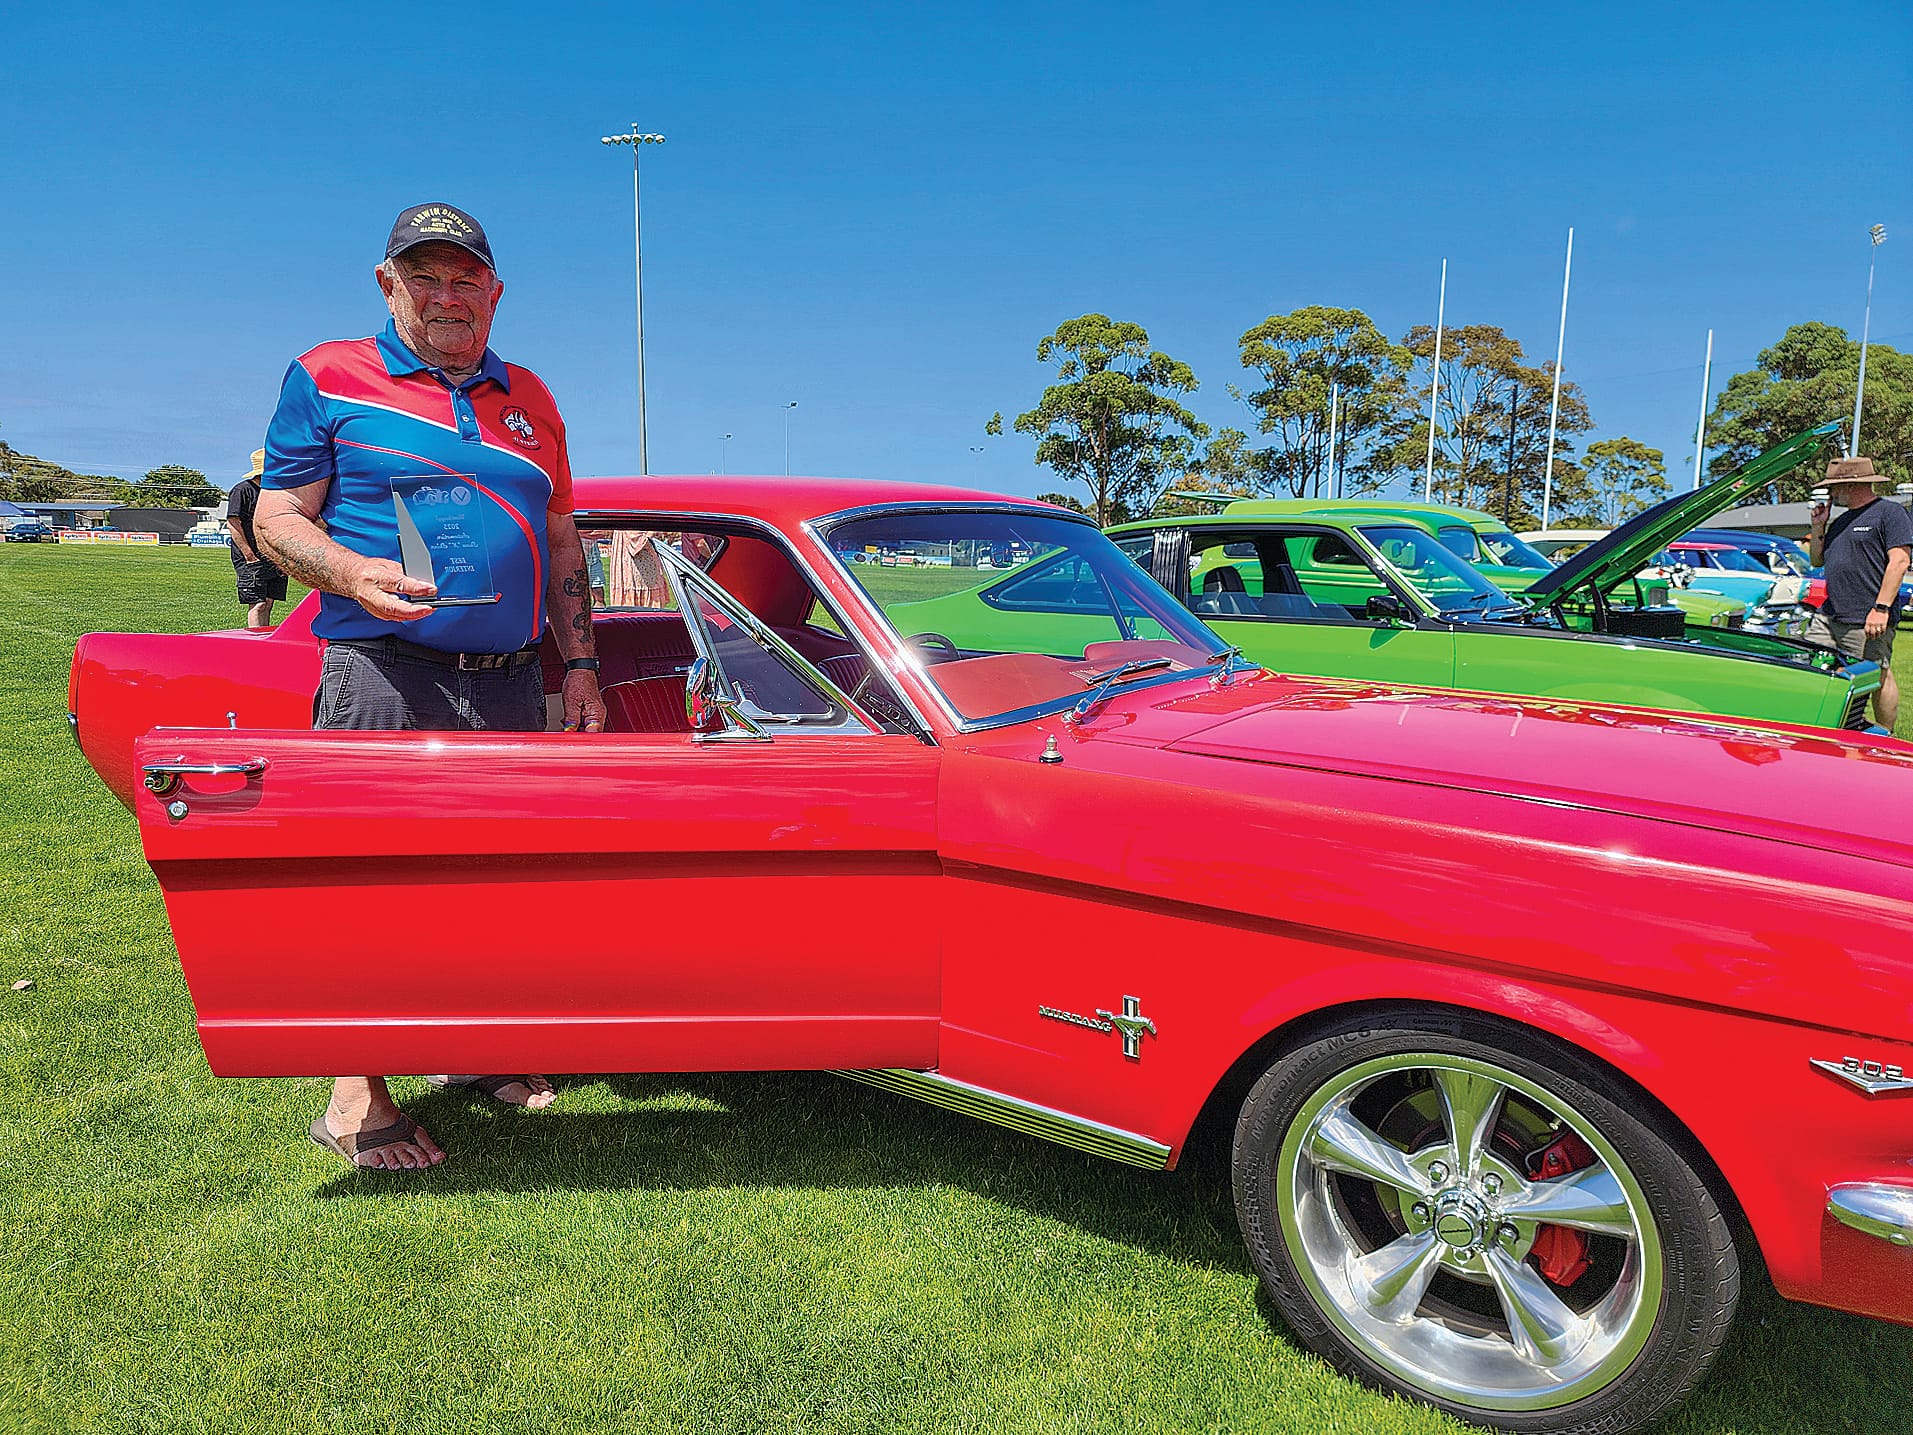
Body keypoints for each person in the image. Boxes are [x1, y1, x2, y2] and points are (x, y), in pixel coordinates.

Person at [254, 202, 606, 1171]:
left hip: (502, 680)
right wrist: (347, 572)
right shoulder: (329, 374)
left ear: (493, 290)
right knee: (364, 886)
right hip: (379, 667)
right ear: (388, 284)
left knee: (489, 882)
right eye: (426, 277)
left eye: (465, 278)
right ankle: (354, 1094)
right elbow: (278, 513)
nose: (447, 295)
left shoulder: (528, 394)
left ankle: (470, 1044)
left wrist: (578, 662)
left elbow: (564, 536)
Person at [1807, 456, 1912, 730]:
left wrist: (1881, 608)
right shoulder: (1840, 521)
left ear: (1851, 485)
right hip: (1829, 615)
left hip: (1869, 616)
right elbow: (1817, 560)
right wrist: (1819, 526)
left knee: (1876, 675)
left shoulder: (1890, 513)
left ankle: (1885, 737)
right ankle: (1829, 727)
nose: (1830, 493)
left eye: (1833, 487)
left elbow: (1900, 561)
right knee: (1812, 666)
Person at [226, 449, 288, 629]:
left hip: (272, 557)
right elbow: (233, 523)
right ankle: (255, 638)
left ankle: (264, 638)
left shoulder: (273, 493)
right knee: (258, 603)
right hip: (252, 557)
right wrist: (249, 555)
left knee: (268, 602)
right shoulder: (242, 490)